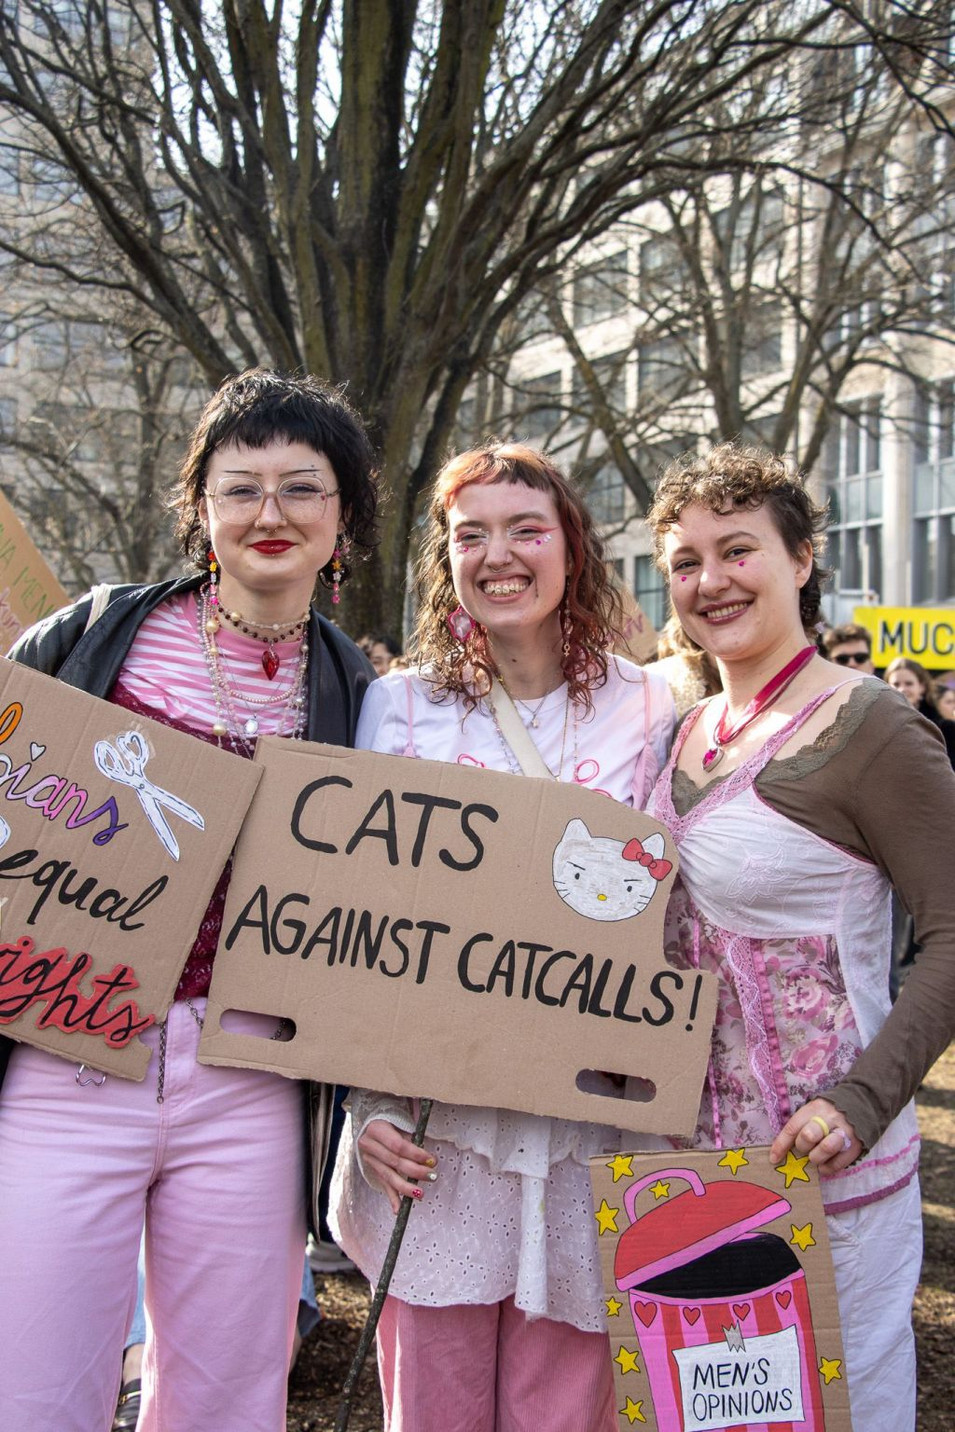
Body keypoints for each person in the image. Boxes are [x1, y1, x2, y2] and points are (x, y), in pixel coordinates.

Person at [0, 368, 378, 1432]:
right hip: (64, 1054)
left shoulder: (363, 695)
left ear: (343, 516)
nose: (271, 513)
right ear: (199, 511)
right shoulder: (95, 635)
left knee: (227, 1396)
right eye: (239, 486)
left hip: (248, 1077)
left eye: (302, 488)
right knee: (33, 1388)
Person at [330, 442, 675, 1432]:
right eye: (469, 533)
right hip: (437, 1132)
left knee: (563, 1410)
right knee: (430, 1409)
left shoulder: (647, 702)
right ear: (446, 557)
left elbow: (674, 913)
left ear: (570, 543)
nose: (499, 554)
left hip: (590, 1125)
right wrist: (365, 1101)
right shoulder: (396, 710)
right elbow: (352, 922)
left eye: (525, 528)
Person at [644, 442, 955, 1431]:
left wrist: (862, 1100)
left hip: (830, 1167)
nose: (710, 581)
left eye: (737, 550)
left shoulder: (871, 729)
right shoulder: (681, 731)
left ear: (802, 559)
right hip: (693, 1168)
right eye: (685, 561)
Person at [886, 655, 955, 766]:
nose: (902, 689)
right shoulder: (877, 726)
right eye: (896, 684)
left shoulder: (945, 729)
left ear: (922, 687)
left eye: (909, 683)